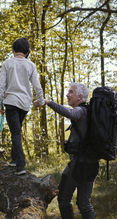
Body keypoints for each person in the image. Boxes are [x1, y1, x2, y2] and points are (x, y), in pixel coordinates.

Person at [36, 83, 99, 219]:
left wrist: (48, 102)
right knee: (84, 203)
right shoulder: (88, 112)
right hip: (91, 163)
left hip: (79, 165)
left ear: (80, 96)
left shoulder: (81, 111)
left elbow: (69, 113)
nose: (67, 94)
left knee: (64, 199)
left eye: (71, 92)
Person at [0, 37, 45, 175]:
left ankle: (21, 165)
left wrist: (0, 103)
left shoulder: (7, 63)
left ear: (13, 50)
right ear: (27, 51)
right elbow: (37, 86)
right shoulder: (30, 65)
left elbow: (1, 86)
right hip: (24, 104)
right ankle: (13, 160)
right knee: (16, 131)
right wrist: (41, 102)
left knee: (16, 133)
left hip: (11, 102)